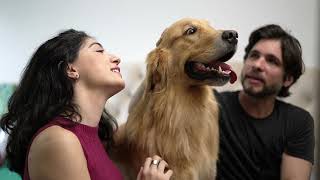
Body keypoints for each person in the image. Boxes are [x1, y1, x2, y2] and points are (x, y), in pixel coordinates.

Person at [0, 29, 173, 180]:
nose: (116, 58)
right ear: (71, 69)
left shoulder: (97, 136)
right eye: (99, 50)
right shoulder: (59, 140)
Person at [215, 24, 315, 180]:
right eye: (254, 55)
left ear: (287, 79)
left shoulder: (298, 122)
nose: (257, 65)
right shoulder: (213, 105)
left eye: (272, 61)